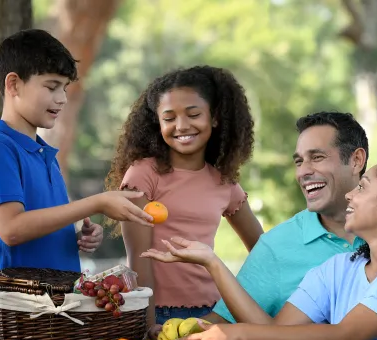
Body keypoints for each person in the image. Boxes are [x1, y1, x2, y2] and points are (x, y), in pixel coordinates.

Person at [0, 29, 154, 340]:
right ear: (13, 84)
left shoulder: (44, 155)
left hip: (52, 321)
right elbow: (11, 229)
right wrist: (96, 203)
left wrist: (75, 235)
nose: (62, 98)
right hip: (11, 327)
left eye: (64, 87)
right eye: (51, 86)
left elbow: (37, 225)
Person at [142, 160, 377, 340]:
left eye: (362, 187)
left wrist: (239, 334)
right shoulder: (337, 269)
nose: (350, 195)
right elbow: (275, 333)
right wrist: (212, 262)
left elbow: (344, 337)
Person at [105, 66, 264, 325]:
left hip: (214, 315)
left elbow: (262, 250)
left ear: (214, 118)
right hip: (160, 314)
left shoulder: (224, 182)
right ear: (158, 123)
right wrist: (147, 324)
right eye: (169, 118)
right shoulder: (143, 175)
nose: (181, 126)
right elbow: (139, 257)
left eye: (193, 114)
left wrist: (235, 302)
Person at [206, 111, 369, 324]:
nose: (303, 172)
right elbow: (222, 324)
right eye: (299, 161)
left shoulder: (376, 233)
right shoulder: (276, 247)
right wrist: (171, 335)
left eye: (317, 157)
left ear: (356, 160)